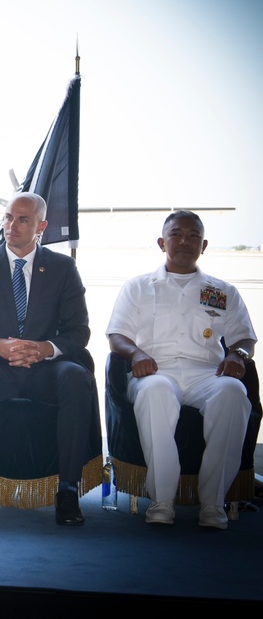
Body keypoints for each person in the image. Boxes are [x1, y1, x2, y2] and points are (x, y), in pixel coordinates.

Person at [0, 192, 94, 526]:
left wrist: (44, 349)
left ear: (41, 225)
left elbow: (78, 332)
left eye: (23, 220)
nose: (11, 226)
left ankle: (68, 492)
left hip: (45, 368)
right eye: (8, 217)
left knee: (75, 378)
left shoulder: (62, 268)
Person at [106, 210, 255, 529]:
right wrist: (135, 354)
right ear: (162, 242)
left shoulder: (221, 290)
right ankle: (163, 500)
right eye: (176, 234)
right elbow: (117, 334)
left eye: (193, 236)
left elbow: (244, 336)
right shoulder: (139, 286)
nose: (185, 241)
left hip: (207, 374)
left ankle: (213, 503)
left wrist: (238, 355)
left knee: (234, 393)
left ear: (203, 245)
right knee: (156, 392)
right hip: (155, 372)